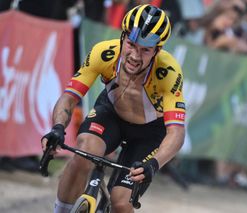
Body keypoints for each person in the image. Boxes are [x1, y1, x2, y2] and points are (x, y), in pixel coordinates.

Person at [41, 4, 186, 213]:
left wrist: (154, 164)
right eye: (131, 44)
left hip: (149, 133)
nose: (135, 56)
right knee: (84, 152)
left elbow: (177, 132)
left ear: (157, 50)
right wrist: (57, 128)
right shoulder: (104, 53)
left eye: (145, 50)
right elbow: (70, 97)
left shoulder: (169, 72)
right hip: (111, 115)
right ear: (123, 37)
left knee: (120, 202)